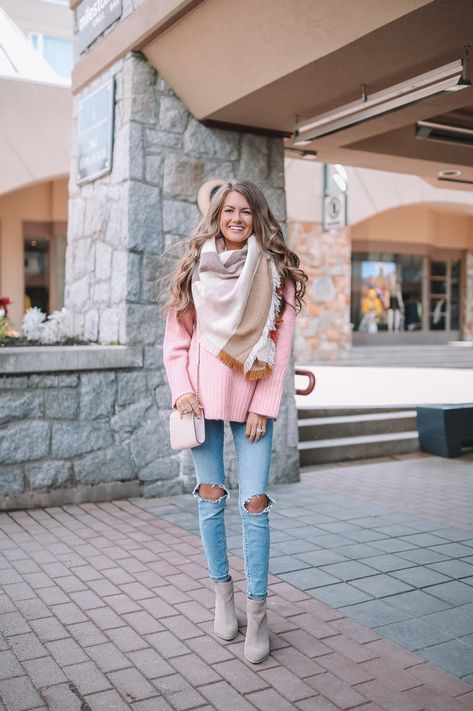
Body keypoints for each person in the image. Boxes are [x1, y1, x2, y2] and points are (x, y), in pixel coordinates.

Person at [162, 179, 307, 663]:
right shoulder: (196, 269)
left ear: (257, 215)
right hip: (201, 400)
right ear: (217, 216)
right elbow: (177, 342)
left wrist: (264, 404)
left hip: (252, 407)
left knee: (255, 504)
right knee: (209, 500)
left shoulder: (276, 271)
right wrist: (182, 390)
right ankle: (223, 596)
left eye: (246, 211)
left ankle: (258, 612)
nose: (237, 219)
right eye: (229, 211)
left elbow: (281, 347)